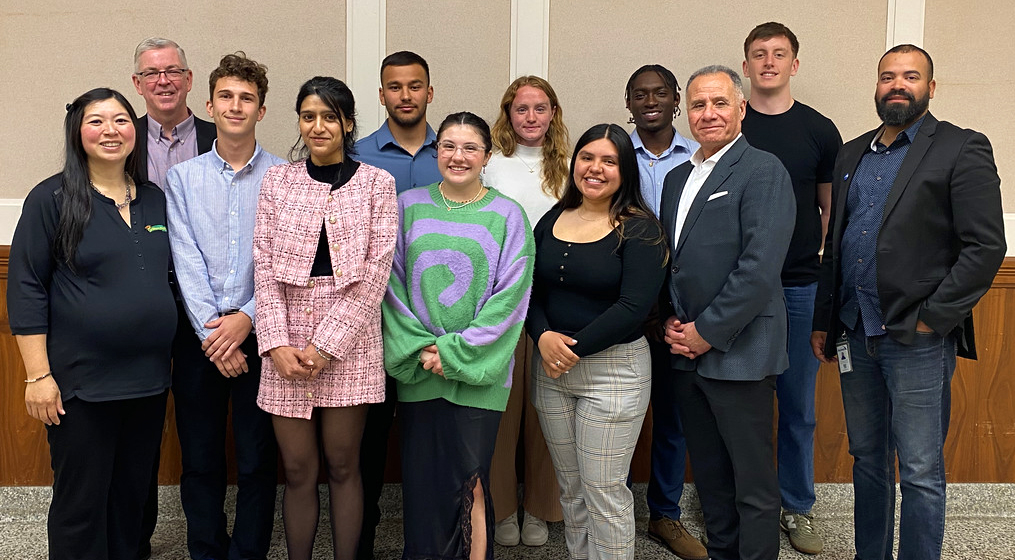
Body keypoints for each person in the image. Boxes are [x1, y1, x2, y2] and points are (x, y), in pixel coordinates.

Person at [811, 45, 1006, 560]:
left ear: (931, 88)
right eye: (887, 77)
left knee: (919, 468)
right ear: (876, 87)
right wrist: (825, 322)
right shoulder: (851, 152)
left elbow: (985, 246)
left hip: (916, 337)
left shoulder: (962, 147)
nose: (897, 85)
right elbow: (837, 243)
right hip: (856, 331)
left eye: (910, 76)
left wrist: (933, 319)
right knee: (867, 459)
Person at [8, 88, 176, 560]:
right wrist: (38, 376)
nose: (111, 131)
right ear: (78, 132)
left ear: (135, 131)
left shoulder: (154, 200)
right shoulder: (51, 198)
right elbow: (26, 288)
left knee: (133, 499)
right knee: (81, 502)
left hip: (147, 382)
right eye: (96, 121)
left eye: (121, 120)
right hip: (80, 384)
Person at [253, 76, 398, 560]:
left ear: (348, 123)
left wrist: (326, 345)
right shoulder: (278, 180)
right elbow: (264, 265)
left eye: (329, 116)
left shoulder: (378, 183)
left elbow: (374, 276)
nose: (318, 126)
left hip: (350, 343)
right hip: (285, 343)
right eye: (308, 116)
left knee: (342, 466)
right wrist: (274, 343)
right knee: (296, 470)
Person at [381, 111, 534, 560]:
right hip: (418, 371)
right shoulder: (407, 205)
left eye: (470, 147)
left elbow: (511, 298)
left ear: (486, 155)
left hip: (478, 377)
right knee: (423, 484)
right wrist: (420, 348)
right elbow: (390, 286)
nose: (458, 156)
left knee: (471, 484)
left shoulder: (508, 215)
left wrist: (453, 352)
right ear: (436, 151)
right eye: (448, 145)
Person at [659, 65, 795, 560]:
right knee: (711, 482)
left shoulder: (763, 170)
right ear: (686, 113)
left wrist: (707, 332)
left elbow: (758, 269)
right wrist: (672, 321)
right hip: (685, 353)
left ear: (741, 108)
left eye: (719, 103)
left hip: (739, 353)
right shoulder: (677, 178)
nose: (708, 113)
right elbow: (675, 262)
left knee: (752, 486)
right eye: (698, 105)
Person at [528, 123, 668, 560]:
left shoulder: (641, 229)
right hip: (551, 372)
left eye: (609, 161)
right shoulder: (553, 217)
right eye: (587, 157)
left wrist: (567, 349)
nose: (595, 168)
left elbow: (633, 308)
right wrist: (542, 336)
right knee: (571, 491)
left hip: (614, 375)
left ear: (625, 170)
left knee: (604, 494)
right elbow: (528, 289)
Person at [164, 52, 281, 560]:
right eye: (226, 97)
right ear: (209, 104)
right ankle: (206, 551)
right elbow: (184, 257)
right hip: (200, 340)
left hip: (265, 335)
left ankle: (249, 552)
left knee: (258, 459)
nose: (236, 106)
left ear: (261, 109)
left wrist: (246, 319)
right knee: (201, 459)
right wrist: (215, 333)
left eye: (247, 98)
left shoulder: (285, 177)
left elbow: (284, 262)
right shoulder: (182, 178)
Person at [739, 22, 842, 555]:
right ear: (747, 65)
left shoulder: (820, 131)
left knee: (798, 405)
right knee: (744, 402)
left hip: (801, 284)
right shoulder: (732, 125)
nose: (769, 62)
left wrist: (818, 265)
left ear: (795, 64)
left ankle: (797, 507)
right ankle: (748, 502)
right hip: (740, 288)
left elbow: (830, 211)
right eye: (759, 54)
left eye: (779, 54)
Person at [354, 50, 442, 560]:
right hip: (372, 322)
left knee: (429, 442)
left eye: (415, 86)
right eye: (394, 86)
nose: (405, 95)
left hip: (437, 324)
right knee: (369, 443)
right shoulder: (359, 155)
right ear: (381, 93)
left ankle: (429, 543)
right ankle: (361, 540)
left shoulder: (454, 150)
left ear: (429, 92)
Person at [132, 38, 216, 557]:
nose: (163, 80)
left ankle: (205, 542)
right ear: (137, 84)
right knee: (136, 433)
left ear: (189, 80)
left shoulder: (220, 135)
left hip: (202, 312)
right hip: (138, 307)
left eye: (173, 71)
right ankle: (133, 540)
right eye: (152, 73)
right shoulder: (118, 139)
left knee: (201, 436)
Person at [625, 64, 706, 560]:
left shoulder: (698, 157)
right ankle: (604, 507)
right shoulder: (614, 152)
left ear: (676, 100)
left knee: (674, 417)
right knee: (618, 412)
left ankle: (665, 515)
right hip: (626, 308)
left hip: (679, 310)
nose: (650, 100)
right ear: (628, 102)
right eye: (640, 94)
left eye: (659, 93)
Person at [483, 75, 569, 548]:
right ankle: (502, 510)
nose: (531, 117)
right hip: (501, 303)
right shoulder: (492, 166)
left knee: (546, 413)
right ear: (508, 114)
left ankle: (540, 508)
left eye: (540, 108)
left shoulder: (573, 168)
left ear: (553, 113)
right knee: (500, 412)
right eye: (522, 109)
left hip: (554, 309)